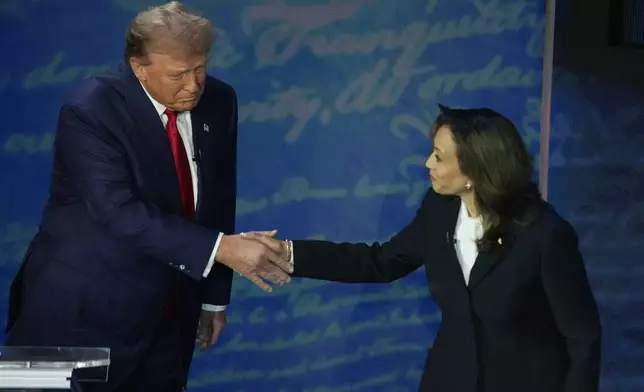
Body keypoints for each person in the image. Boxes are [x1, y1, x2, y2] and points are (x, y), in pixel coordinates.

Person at [4, 2, 291, 391]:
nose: (193, 85)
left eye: (200, 68)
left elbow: (218, 200)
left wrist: (212, 300)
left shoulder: (220, 100)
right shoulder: (89, 109)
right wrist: (222, 250)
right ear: (139, 67)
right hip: (72, 313)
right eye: (178, 75)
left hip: (169, 319)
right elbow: (118, 212)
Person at [246, 105, 602, 392]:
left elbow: (582, 337)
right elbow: (380, 262)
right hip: (449, 380)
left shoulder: (545, 235)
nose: (427, 164)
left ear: (476, 170)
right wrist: (289, 254)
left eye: (438, 157)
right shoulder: (440, 209)